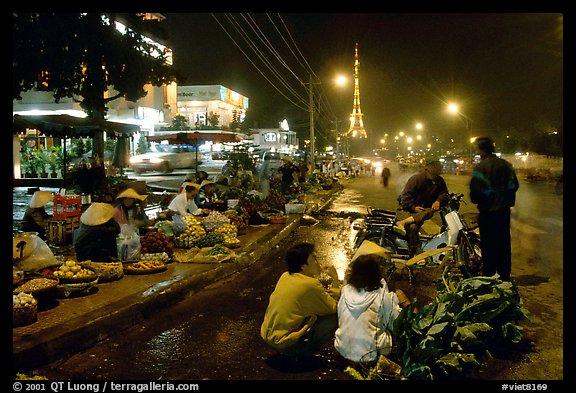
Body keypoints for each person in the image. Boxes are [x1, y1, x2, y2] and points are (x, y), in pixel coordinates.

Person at [260, 242, 341, 360]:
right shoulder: (310, 285)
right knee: (336, 316)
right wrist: (335, 281)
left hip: (270, 338)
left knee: (314, 312)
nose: (318, 262)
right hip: (286, 344)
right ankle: (304, 351)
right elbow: (333, 307)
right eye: (314, 259)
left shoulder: (285, 276)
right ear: (303, 266)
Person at [334, 254, 409, 367]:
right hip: (370, 356)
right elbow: (395, 325)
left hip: (343, 350)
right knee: (395, 330)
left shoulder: (345, 291)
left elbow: (340, 319)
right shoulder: (381, 295)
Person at [469, 137, 519, 282]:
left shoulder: (480, 168)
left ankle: (490, 275)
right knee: (503, 243)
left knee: (488, 245)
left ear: (481, 149)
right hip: (503, 212)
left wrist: (487, 197)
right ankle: (504, 275)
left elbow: (476, 192)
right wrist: (504, 197)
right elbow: (514, 186)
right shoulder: (506, 165)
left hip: (487, 212)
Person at [397, 160, 449, 257]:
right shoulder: (416, 179)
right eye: (434, 173)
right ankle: (416, 251)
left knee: (429, 211)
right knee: (412, 227)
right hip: (408, 209)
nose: (435, 176)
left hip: (424, 210)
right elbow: (405, 198)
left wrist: (438, 201)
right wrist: (414, 208)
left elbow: (444, 193)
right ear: (427, 170)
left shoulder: (439, 180)